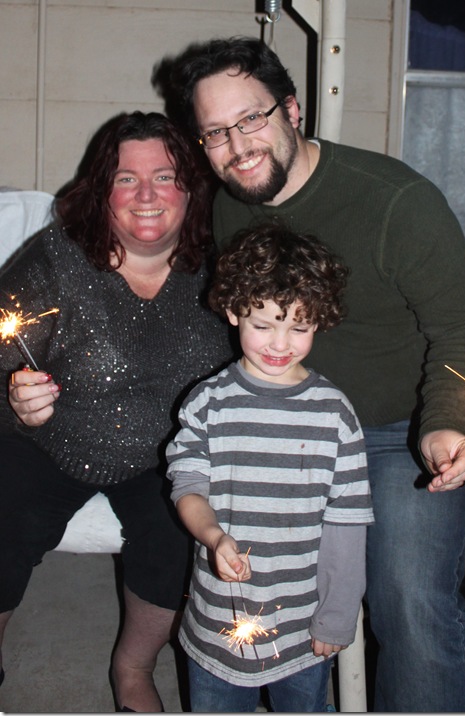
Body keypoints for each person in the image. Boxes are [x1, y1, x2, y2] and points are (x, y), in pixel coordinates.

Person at [157, 37, 465, 712]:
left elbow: (461, 332)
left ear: (292, 110)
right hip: (282, 423)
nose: (237, 147)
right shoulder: (231, 204)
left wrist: (446, 421)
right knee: (241, 581)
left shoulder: (397, 203)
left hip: (396, 432)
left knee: (409, 599)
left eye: (251, 119)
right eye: (215, 132)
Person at [0, 111, 233, 712]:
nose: (146, 194)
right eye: (126, 178)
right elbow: (2, 357)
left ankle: (134, 669)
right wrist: (17, 404)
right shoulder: (55, 260)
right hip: (47, 443)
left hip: (170, 455)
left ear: (191, 188)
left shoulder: (222, 269)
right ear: (102, 190)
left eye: (164, 176)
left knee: (178, 535)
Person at [166, 224, 375, 713]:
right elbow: (188, 486)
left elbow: (347, 525)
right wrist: (215, 537)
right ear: (234, 311)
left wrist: (337, 616)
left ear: (319, 321)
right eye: (263, 325)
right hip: (217, 624)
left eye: (299, 328)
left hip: (303, 630)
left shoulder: (335, 414)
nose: (280, 344)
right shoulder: (208, 403)